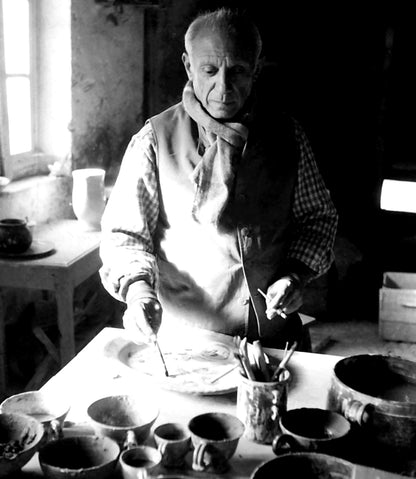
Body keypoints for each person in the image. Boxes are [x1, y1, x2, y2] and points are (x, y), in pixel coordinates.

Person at [99, 7, 338, 351]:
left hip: (272, 340)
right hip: (187, 342)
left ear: (256, 70)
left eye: (237, 71)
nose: (223, 87)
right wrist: (138, 291)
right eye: (209, 70)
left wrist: (294, 275)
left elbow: (318, 220)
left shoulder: (287, 136)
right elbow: (125, 235)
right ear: (188, 66)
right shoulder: (155, 140)